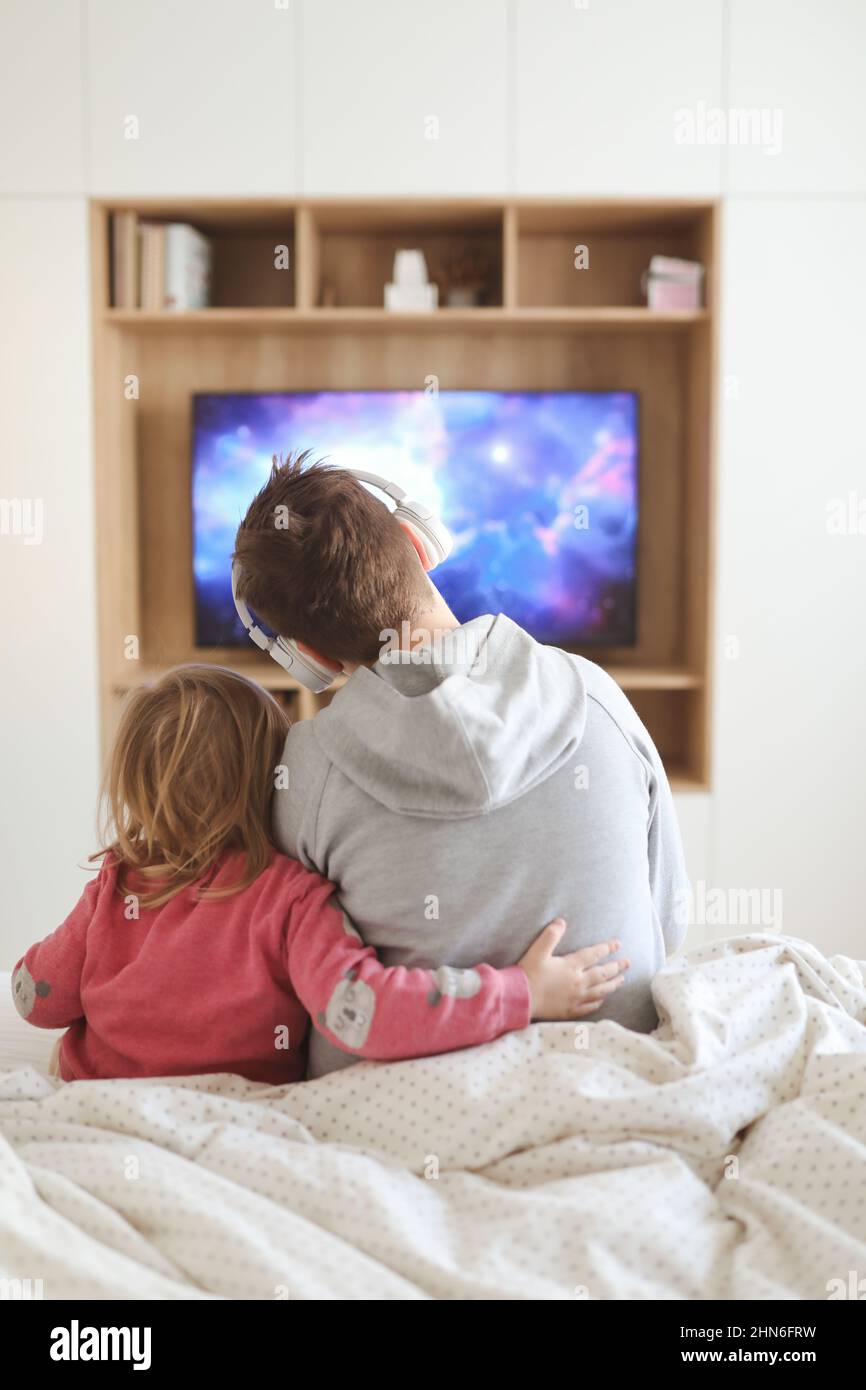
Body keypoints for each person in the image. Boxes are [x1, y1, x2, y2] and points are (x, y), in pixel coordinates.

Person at [233, 453, 690, 1080]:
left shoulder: (302, 776)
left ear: (306, 656)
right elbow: (668, 918)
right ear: (420, 543)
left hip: (405, 1106)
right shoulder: (596, 695)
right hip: (619, 1075)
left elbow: (297, 982)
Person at [12, 665, 628, 1083]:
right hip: (231, 1120)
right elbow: (366, 1012)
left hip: (93, 1106)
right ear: (275, 780)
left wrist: (32, 970)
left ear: (134, 787)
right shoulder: (288, 898)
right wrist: (521, 991)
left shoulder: (115, 886)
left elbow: (37, 998)